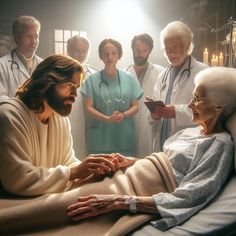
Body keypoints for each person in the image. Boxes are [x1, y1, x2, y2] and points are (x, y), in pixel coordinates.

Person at [67, 67, 235, 231]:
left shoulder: (220, 145)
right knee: (71, 187)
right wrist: (133, 161)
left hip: (139, 189)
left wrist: (118, 202)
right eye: (192, 97)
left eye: (197, 99)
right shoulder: (190, 131)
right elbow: (168, 161)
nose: (190, 105)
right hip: (129, 174)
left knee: (67, 206)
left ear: (218, 108)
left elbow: (189, 197)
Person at [0, 54, 134, 197]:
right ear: (48, 82)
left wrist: (94, 170)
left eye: (76, 87)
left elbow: (67, 162)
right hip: (12, 204)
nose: (75, 94)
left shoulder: (59, 119)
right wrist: (75, 172)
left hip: (44, 199)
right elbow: (18, 179)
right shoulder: (10, 115)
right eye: (70, 85)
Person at [148, 21, 208, 152]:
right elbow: (151, 119)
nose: (171, 53)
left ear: (187, 46)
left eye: (175, 48)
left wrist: (175, 111)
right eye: (167, 49)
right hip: (162, 145)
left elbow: (207, 112)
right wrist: (154, 115)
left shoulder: (203, 73)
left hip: (188, 147)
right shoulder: (162, 76)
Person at [81, 38, 143, 156]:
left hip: (124, 139)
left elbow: (136, 106)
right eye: (106, 54)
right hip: (99, 141)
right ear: (101, 56)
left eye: (113, 53)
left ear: (119, 55)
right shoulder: (91, 80)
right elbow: (88, 108)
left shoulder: (129, 79)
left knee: (126, 173)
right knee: (100, 172)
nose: (110, 57)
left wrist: (123, 114)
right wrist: (107, 119)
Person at [126, 33, 164, 157]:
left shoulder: (161, 73)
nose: (140, 53)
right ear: (132, 49)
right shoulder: (123, 74)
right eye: (137, 50)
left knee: (147, 165)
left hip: (151, 127)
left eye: (144, 50)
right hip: (127, 126)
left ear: (150, 51)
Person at [67, 35, 97, 160]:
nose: (81, 54)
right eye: (77, 50)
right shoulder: (60, 73)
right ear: (69, 51)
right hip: (70, 124)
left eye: (84, 51)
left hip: (92, 127)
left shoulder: (94, 74)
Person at [0, 15, 42, 100]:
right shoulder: (2, 65)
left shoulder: (44, 64)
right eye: (28, 36)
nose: (33, 41)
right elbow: (1, 98)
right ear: (17, 38)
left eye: (36, 36)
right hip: (13, 113)